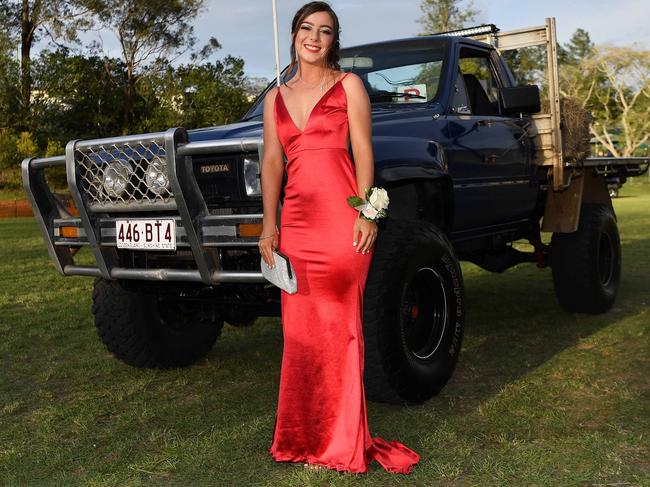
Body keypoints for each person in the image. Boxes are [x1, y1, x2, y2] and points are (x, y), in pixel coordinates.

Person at [258, 1, 420, 475]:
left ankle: (339, 442)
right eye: (307, 28)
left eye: (325, 31)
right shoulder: (275, 97)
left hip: (341, 221)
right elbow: (272, 161)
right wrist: (270, 224)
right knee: (301, 335)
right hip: (297, 226)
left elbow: (364, 148)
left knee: (339, 329)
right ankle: (300, 438)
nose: (315, 37)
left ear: (334, 41)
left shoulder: (349, 85)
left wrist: (368, 211)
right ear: (294, 34)